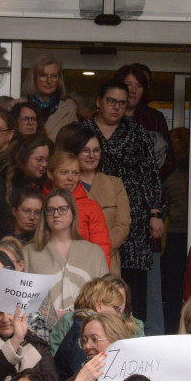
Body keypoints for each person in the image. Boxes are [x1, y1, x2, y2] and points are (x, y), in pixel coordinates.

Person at [79, 80, 165, 324]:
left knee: (132, 281)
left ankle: (130, 331)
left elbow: (150, 173)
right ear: (99, 102)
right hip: (94, 208)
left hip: (134, 215)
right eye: (111, 101)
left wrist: (155, 213)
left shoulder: (136, 132)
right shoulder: (82, 130)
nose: (116, 107)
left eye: (122, 103)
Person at [23, 190, 109, 327]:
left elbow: (106, 298)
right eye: (50, 210)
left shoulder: (94, 252)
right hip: (41, 332)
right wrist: (52, 316)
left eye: (62, 209)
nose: (56, 214)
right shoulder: (29, 252)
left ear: (73, 212)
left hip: (87, 331)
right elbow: (22, 298)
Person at [0, 137, 51, 265]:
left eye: (46, 160)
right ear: (24, 158)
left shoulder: (42, 186)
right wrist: (1, 246)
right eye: (39, 159)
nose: (44, 164)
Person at [58, 126, 131, 277]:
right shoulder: (65, 183)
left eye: (96, 150)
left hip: (107, 261)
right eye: (85, 150)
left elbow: (123, 225)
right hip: (69, 262)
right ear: (75, 152)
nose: (91, 155)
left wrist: (97, 251)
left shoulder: (115, 183)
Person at [50, 277, 144, 381]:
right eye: (116, 308)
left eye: (95, 339)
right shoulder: (82, 332)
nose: (119, 314)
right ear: (99, 306)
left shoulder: (80, 325)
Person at [46, 151, 111, 265]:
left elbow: (102, 248)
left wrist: (100, 278)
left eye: (75, 173)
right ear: (50, 174)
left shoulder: (91, 207)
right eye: (64, 172)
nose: (71, 178)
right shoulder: (40, 203)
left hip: (82, 272)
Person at [116, 64, 173, 180]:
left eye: (139, 86)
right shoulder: (106, 117)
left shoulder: (154, 119)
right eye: (128, 85)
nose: (133, 91)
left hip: (146, 189)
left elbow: (169, 161)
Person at [160, 127, 190, 333]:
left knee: (177, 286)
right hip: (175, 233)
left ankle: (178, 327)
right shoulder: (170, 170)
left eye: (175, 141)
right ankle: (173, 328)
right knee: (173, 286)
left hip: (186, 233)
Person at [15, 56, 78, 141]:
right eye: (43, 76)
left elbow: (74, 144)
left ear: (59, 79)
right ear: (33, 78)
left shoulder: (68, 111)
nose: (49, 81)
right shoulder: (16, 105)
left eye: (54, 76)